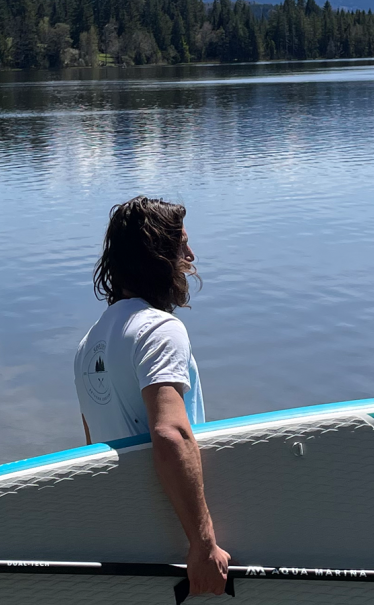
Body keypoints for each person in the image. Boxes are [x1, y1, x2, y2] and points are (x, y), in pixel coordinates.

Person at [73, 196, 231, 597]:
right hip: (175, 539)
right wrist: (203, 544)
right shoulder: (159, 329)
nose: (191, 256)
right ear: (158, 255)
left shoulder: (89, 344)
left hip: (128, 540)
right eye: (182, 245)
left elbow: (92, 448)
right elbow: (171, 433)